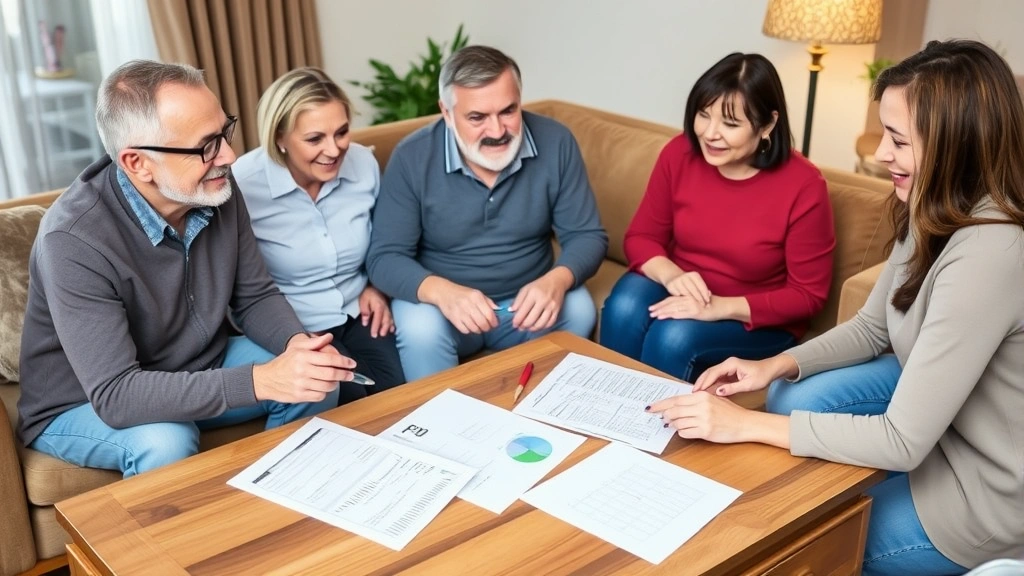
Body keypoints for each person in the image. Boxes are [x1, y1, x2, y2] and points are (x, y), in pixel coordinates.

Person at [650, 40, 1024, 575]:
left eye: (897, 140)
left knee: (809, 540)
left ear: (957, 146)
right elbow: (872, 327)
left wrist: (742, 425)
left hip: (982, 492)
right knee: (790, 391)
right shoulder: (933, 206)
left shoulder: (992, 254)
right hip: (939, 429)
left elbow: (901, 441)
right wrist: (770, 365)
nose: (880, 155)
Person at [17, 60, 355, 478]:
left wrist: (297, 348)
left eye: (224, 132)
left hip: (196, 364)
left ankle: (281, 501)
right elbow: (117, 394)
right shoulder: (72, 241)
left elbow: (256, 296)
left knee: (315, 377)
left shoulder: (214, 187)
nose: (228, 156)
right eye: (206, 145)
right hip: (82, 401)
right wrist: (259, 382)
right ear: (138, 163)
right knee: (165, 439)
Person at [366, 45, 608, 381]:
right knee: (420, 328)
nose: (497, 131)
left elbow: (587, 235)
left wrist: (556, 280)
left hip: (523, 310)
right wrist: (443, 292)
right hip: (445, 311)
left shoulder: (557, 142)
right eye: (477, 117)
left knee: (578, 307)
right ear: (447, 113)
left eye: (508, 111)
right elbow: (384, 257)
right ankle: (443, 423)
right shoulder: (412, 156)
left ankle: (536, 407)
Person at [599, 52, 834, 383]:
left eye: (731, 123)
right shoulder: (679, 153)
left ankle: (653, 430)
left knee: (673, 337)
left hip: (755, 316)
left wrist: (720, 307)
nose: (710, 133)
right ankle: (600, 410)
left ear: (767, 124)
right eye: (703, 115)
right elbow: (641, 237)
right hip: (685, 288)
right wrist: (672, 275)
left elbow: (807, 296)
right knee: (624, 307)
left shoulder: (804, 185)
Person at [234, 67, 406, 404]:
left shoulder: (363, 163)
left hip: (359, 310)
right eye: (315, 139)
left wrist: (376, 286)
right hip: (294, 323)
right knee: (345, 399)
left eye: (341, 132)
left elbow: (386, 240)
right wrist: (288, 335)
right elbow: (238, 285)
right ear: (279, 138)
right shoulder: (243, 184)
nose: (334, 149)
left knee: (395, 394)